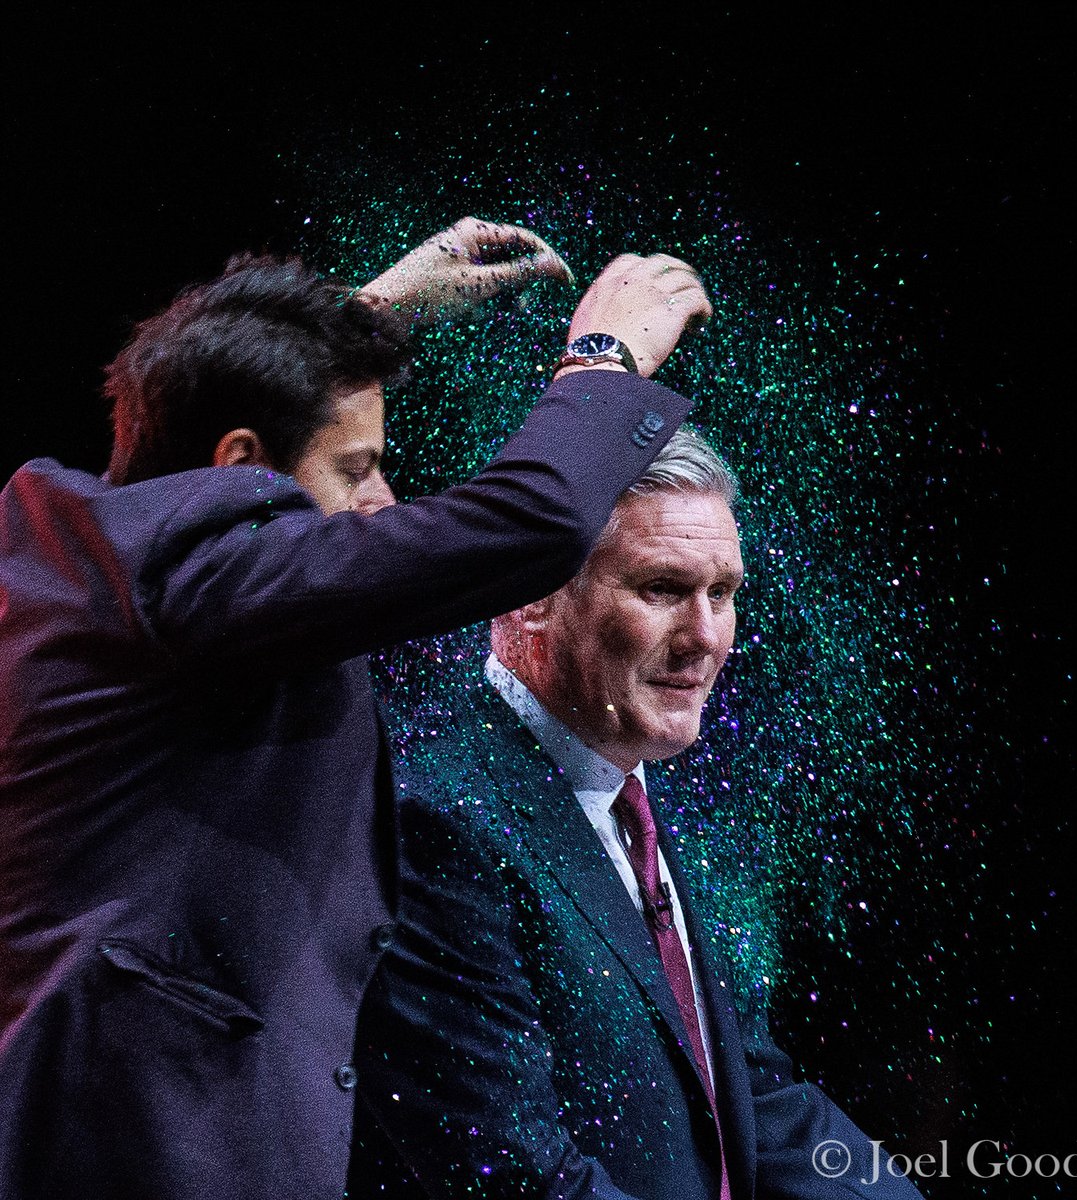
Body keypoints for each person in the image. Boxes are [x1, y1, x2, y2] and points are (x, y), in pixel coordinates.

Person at [0, 218, 711, 1200]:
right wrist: (604, 359)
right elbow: (527, 524)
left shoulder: (98, 559)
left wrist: (351, 320)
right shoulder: (164, 568)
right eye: (355, 468)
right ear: (240, 462)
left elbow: (184, 427)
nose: (383, 502)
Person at [350, 428, 924, 1198]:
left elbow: (744, 1093)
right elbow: (518, 1178)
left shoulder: (648, 776)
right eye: (662, 589)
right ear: (531, 598)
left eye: (722, 594)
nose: (706, 638)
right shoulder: (436, 817)